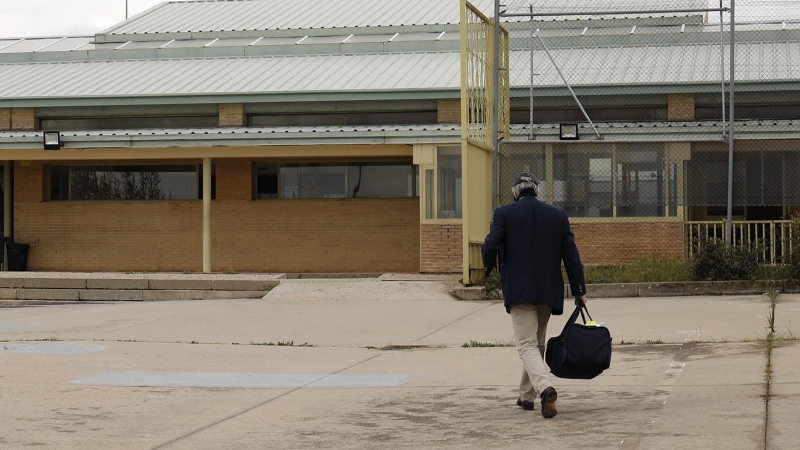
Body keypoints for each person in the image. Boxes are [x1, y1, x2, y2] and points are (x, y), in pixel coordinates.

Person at [482, 172, 587, 419]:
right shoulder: (557, 215)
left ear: (515, 192)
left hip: (519, 290)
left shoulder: (504, 213)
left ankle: (545, 389)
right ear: (537, 191)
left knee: (527, 345)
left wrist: (488, 269)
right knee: (536, 343)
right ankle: (526, 396)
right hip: (548, 290)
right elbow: (571, 256)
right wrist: (579, 291)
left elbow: (490, 245)